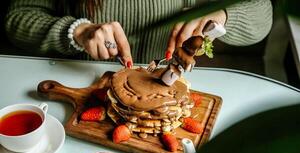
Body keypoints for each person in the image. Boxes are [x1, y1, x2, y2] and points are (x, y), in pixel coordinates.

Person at [5, 0, 272, 68]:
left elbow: (263, 13)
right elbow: (18, 17)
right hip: (83, 84)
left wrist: (222, 16)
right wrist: (77, 32)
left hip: (171, 97)